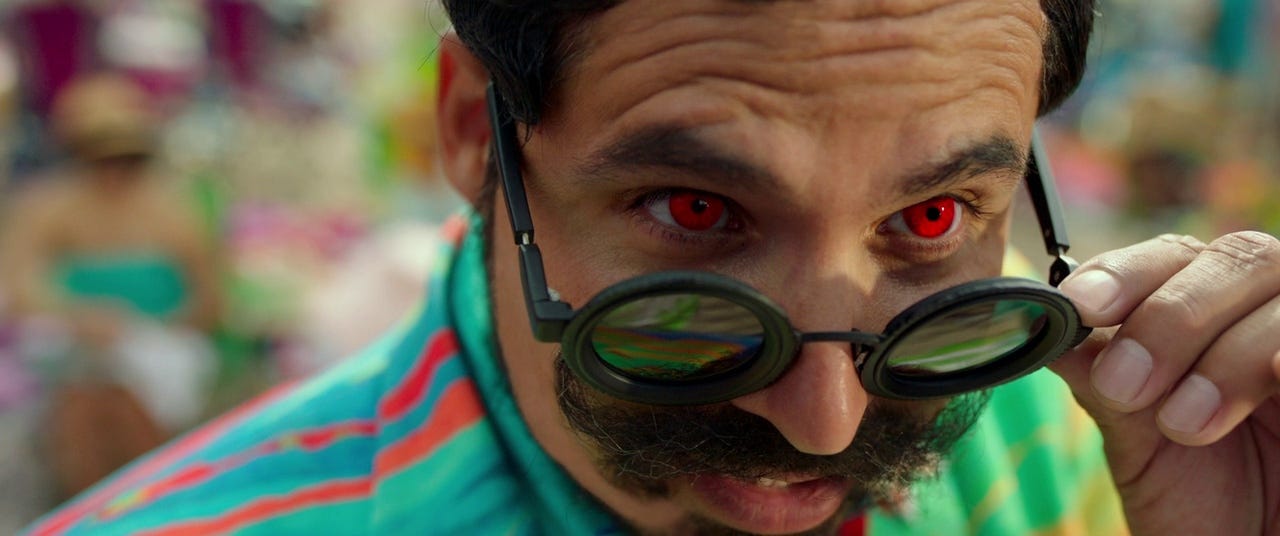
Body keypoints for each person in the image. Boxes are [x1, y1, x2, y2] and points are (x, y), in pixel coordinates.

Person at [25, 2, 1280, 535]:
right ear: (471, 131)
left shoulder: (1081, 435)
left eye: (934, 214)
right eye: (694, 211)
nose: (825, 419)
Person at [1, 74, 221, 501]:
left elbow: (209, 301)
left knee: (129, 401)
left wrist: (152, 329)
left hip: (158, 347)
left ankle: (143, 506)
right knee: (84, 402)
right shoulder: (47, 210)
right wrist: (79, 319)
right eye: (100, 157)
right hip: (74, 349)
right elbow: (22, 287)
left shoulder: (174, 213)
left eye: (126, 158)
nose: (114, 171)